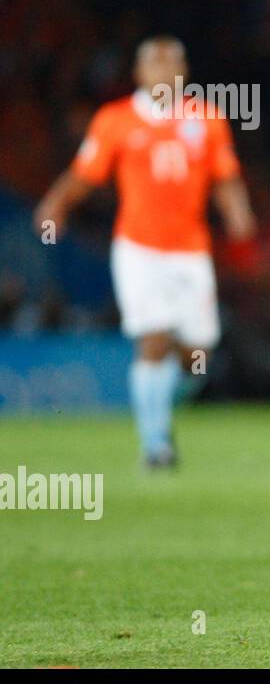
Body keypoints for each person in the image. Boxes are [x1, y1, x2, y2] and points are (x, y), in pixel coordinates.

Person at [34, 36, 256, 466]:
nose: (164, 72)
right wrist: (54, 204)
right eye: (155, 64)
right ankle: (154, 443)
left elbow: (226, 178)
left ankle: (162, 412)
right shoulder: (115, 120)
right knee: (153, 338)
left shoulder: (206, 118)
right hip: (138, 248)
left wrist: (238, 212)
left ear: (184, 73)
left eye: (173, 63)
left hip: (190, 251)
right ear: (139, 74)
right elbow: (85, 175)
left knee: (197, 353)